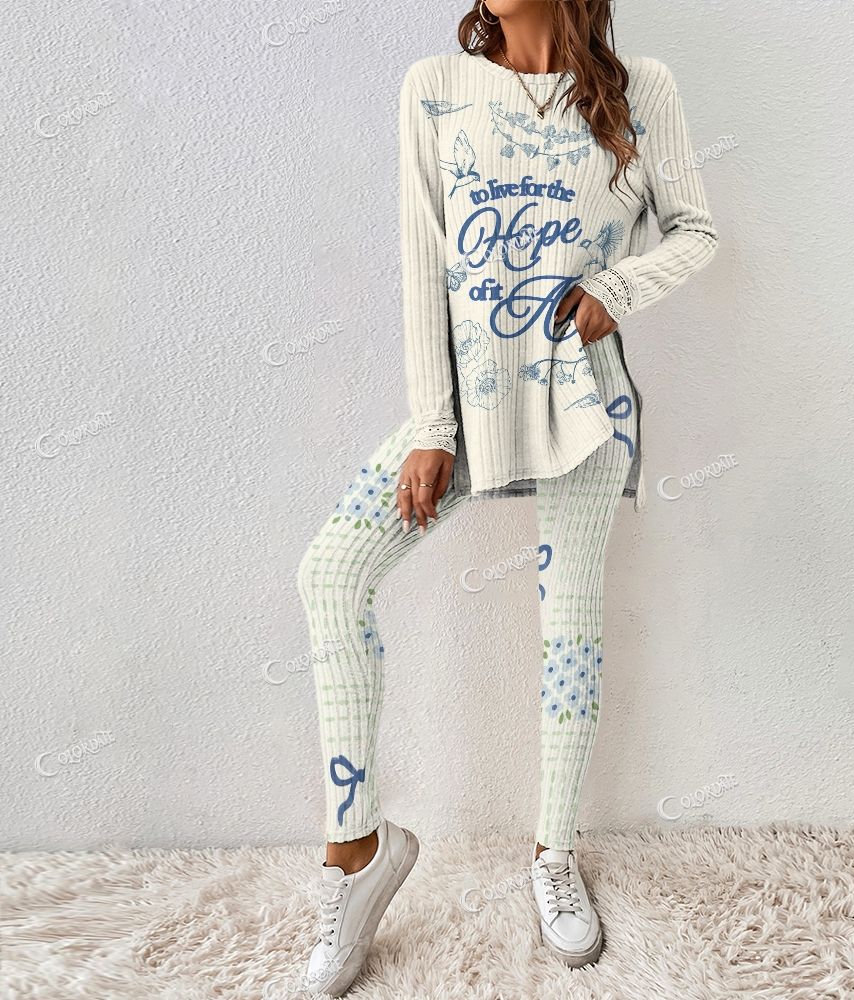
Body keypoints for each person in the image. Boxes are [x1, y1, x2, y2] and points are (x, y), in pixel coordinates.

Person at [295, 0, 718, 993]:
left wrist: (618, 289)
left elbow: (696, 231)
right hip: (469, 408)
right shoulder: (435, 89)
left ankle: (553, 853)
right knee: (330, 573)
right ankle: (356, 851)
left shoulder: (642, 90)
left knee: (569, 632)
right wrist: (432, 429)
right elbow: (423, 265)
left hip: (585, 403)